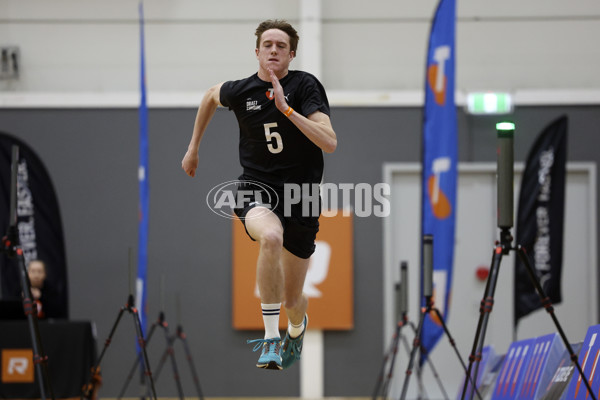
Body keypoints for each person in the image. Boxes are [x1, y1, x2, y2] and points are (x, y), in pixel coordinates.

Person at [182, 19, 337, 370]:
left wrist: (287, 110)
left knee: (294, 298)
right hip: (257, 188)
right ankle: (269, 339)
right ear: (257, 52)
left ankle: (295, 330)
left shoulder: (305, 85)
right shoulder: (242, 91)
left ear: (291, 54)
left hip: (302, 196)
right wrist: (193, 148)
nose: (273, 50)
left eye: (281, 46)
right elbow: (210, 95)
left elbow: (329, 143)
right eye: (267, 44)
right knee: (269, 237)